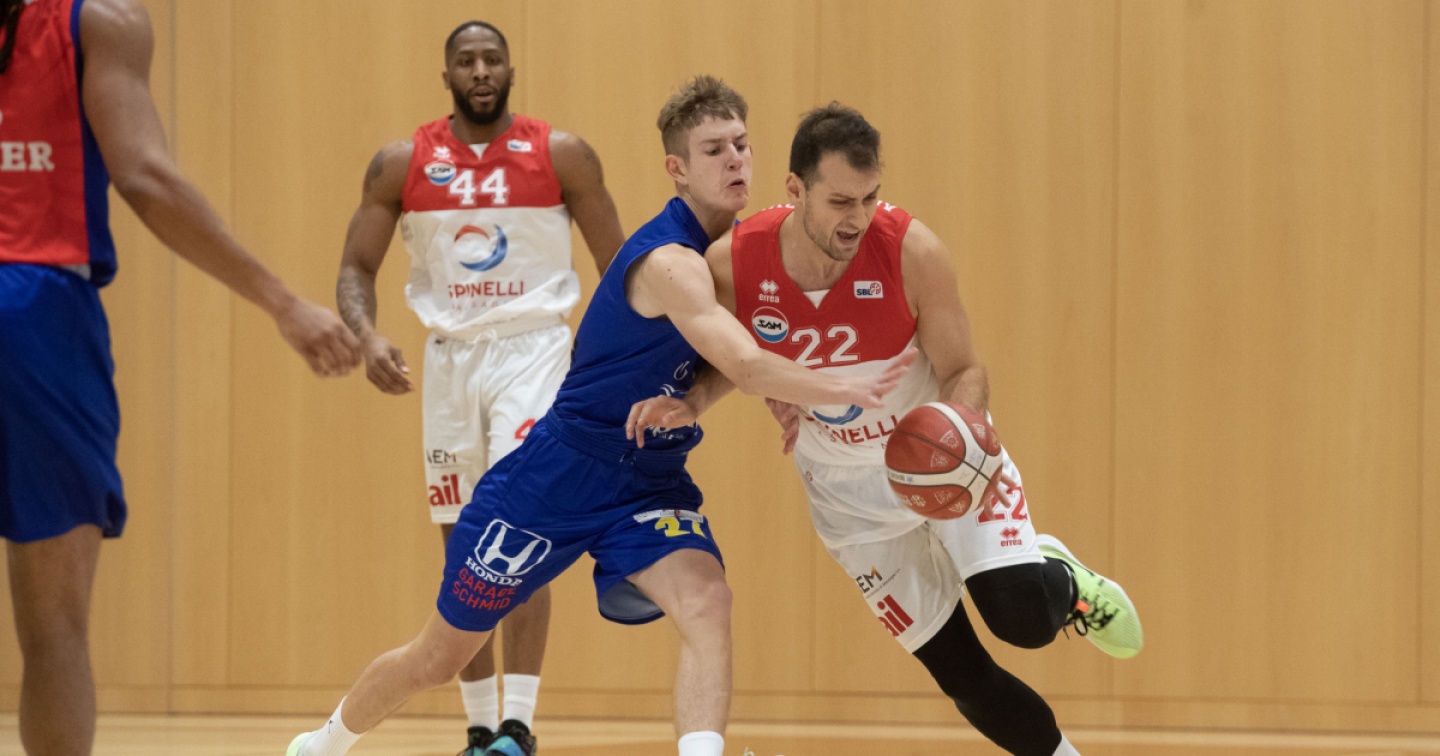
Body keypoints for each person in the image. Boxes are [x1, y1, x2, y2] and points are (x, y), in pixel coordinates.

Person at [288, 76, 913, 756]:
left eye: (741, 144)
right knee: (436, 658)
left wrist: (717, 399)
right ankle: (321, 745)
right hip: (557, 476)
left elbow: (738, 356)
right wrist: (845, 386)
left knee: (707, 601)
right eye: (713, 150)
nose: (735, 160)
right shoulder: (670, 261)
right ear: (677, 169)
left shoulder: (741, 253)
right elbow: (746, 361)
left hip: (646, 478)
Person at [689, 104, 1144, 756]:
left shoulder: (911, 251)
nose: (857, 218)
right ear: (795, 190)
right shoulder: (734, 262)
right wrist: (712, 400)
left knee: (1020, 620)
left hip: (942, 452)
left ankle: (1063, 580)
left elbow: (963, 369)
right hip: (847, 494)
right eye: (840, 201)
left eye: (869, 197)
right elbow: (729, 358)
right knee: (962, 675)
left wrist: (964, 435)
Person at [0, 0, 361, 753]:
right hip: (34, 315)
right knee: (54, 628)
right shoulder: (95, 21)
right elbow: (145, 179)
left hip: (36, 312)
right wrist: (282, 302)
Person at [334, 19, 625, 755]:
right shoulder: (402, 163)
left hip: (533, 351)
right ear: (447, 77)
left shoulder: (561, 153)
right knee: (463, 544)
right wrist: (366, 336)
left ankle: (518, 728)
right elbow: (355, 267)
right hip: (449, 361)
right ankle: (477, 731)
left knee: (520, 530)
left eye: (493, 58)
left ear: (511, 69)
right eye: (466, 61)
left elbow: (622, 268)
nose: (481, 70)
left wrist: (604, 361)